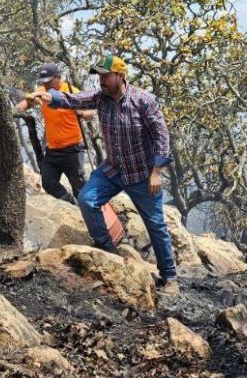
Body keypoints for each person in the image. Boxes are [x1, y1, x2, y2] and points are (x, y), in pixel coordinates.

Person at [29, 54, 178, 293]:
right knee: (87, 200)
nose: (101, 81)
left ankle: (169, 277)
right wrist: (50, 96)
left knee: (155, 224)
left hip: (142, 173)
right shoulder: (100, 98)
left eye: (106, 76)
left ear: (120, 75)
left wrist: (157, 172)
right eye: (99, 76)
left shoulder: (144, 100)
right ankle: (108, 250)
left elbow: (162, 137)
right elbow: (74, 98)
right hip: (114, 168)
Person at [15, 63, 95, 204]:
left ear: (58, 77)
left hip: (73, 150)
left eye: (49, 82)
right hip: (52, 151)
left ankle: (89, 213)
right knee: (48, 183)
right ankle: (72, 205)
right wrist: (15, 110)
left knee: (80, 188)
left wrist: (81, 112)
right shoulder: (42, 92)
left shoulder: (71, 91)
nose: (46, 86)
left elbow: (90, 113)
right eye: (43, 83)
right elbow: (26, 103)